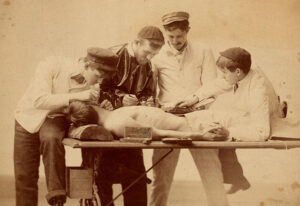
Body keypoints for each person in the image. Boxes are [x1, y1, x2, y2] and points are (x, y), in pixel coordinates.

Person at [13, 48, 117, 206]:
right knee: (25, 178)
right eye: (98, 76)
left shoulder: (92, 85)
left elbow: (86, 109)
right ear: (87, 65)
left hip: (54, 120)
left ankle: (57, 198)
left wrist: (102, 105)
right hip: (27, 119)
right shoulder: (51, 64)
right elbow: (39, 100)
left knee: (51, 139)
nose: (100, 82)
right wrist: (78, 96)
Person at [150, 11, 232, 206]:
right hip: (169, 121)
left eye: (180, 36)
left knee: (212, 176)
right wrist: (164, 107)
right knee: (161, 178)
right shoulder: (157, 54)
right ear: (165, 33)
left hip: (200, 119)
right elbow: (151, 92)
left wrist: (193, 103)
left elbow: (212, 87)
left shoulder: (203, 50)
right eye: (171, 36)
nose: (176, 40)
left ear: (188, 31)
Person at [82, 26, 165, 206]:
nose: (149, 58)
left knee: (136, 177)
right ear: (136, 43)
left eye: (154, 55)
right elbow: (95, 89)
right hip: (105, 125)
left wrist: (146, 102)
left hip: (129, 125)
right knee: (102, 177)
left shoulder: (149, 66)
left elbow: (149, 93)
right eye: (147, 52)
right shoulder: (112, 56)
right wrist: (121, 98)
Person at [66, 101, 230, 141]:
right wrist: (199, 135)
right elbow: (156, 134)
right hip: (197, 126)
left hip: (197, 120)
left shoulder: (115, 115)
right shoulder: (116, 124)